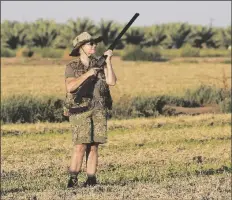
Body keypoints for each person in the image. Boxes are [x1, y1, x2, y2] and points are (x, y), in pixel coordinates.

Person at [64, 32, 117, 188]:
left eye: (95, 44)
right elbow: (70, 87)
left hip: (99, 109)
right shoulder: (72, 67)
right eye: (90, 44)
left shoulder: (101, 63)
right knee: (80, 145)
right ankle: (73, 180)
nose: (94, 46)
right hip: (80, 110)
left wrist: (109, 62)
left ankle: (91, 179)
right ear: (81, 47)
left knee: (94, 146)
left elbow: (111, 82)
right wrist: (88, 74)